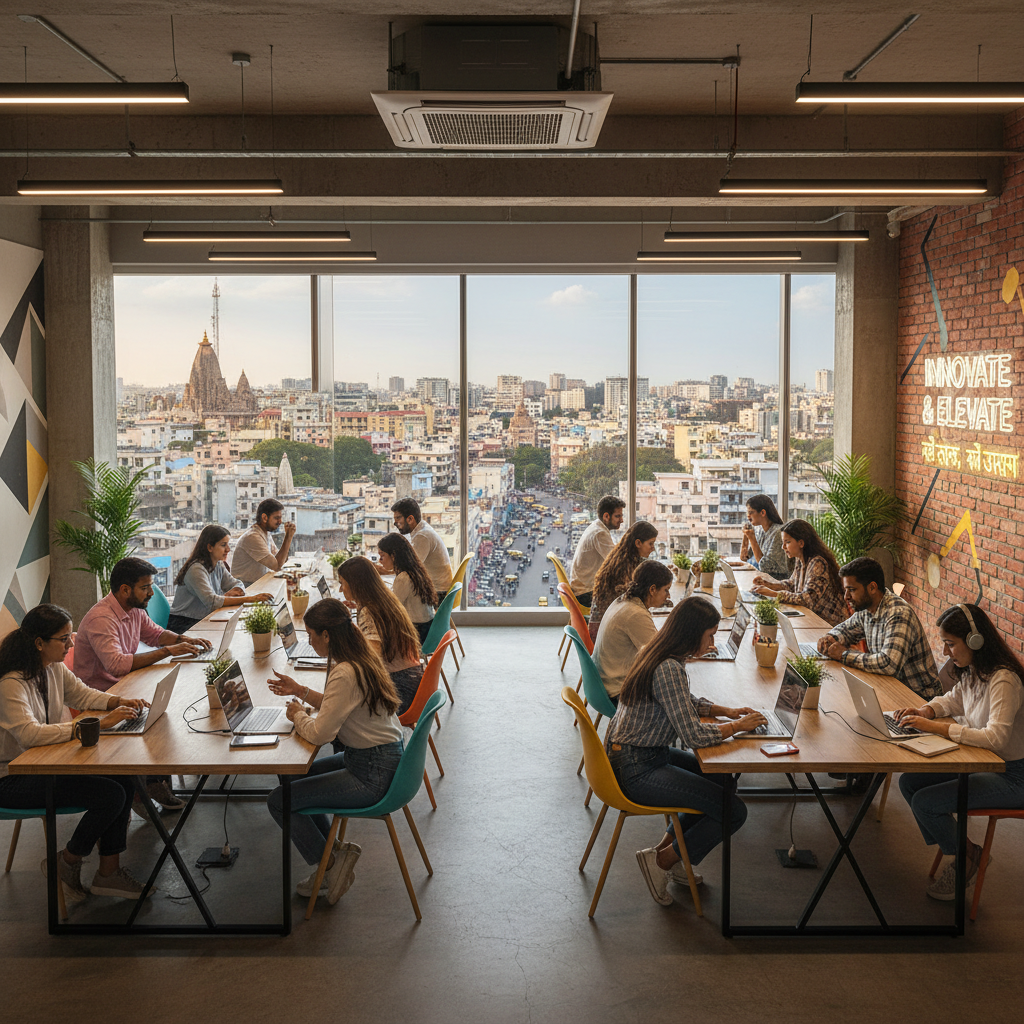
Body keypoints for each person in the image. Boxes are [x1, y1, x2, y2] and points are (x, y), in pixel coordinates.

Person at [605, 596, 766, 906]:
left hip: (638, 755)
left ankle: (666, 851)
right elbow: (693, 734)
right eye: (710, 634)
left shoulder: (661, 653)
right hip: (637, 768)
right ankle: (665, 862)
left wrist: (727, 711)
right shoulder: (668, 668)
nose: (713, 641)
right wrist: (738, 727)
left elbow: (684, 702)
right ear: (692, 633)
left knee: (723, 781)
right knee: (733, 811)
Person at [0, 604, 154, 903]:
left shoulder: (52, 667)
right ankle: (67, 861)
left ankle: (108, 874)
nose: (71, 644)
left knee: (123, 780)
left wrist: (119, 700)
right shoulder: (10, 683)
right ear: (39, 643)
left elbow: (82, 694)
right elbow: (30, 734)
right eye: (64, 639)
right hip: (12, 778)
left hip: (50, 764)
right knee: (109, 795)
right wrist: (92, 724)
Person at [265, 599, 404, 904]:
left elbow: (321, 733)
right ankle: (333, 852)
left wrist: (296, 715)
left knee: (279, 801)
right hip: (380, 757)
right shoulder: (358, 656)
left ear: (327, 635)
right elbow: (338, 705)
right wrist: (300, 691)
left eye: (311, 635)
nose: (308, 641)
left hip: (372, 772)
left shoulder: (344, 671)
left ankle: (328, 863)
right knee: (291, 778)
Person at [896, 604, 1024, 900]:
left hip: (1012, 776)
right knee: (909, 782)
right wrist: (925, 709)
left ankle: (966, 858)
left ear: (975, 640)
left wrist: (937, 728)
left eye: (950, 644)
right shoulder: (974, 671)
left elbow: (996, 738)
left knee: (926, 802)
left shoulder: (1004, 680)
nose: (945, 652)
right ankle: (966, 852)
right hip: (984, 764)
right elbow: (951, 701)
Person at [74, 556, 213, 813]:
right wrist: (169, 651)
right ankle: (141, 788)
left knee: (170, 708)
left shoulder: (135, 609)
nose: (151, 592)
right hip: (101, 699)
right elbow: (116, 665)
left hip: (126, 687)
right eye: (146, 587)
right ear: (125, 589)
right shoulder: (101, 619)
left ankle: (152, 781)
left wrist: (185, 639)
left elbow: (156, 634)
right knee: (160, 717)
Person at [817, 556, 940, 699]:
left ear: (872, 587)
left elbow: (888, 664)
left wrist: (843, 654)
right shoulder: (866, 609)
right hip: (890, 689)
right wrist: (830, 638)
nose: (846, 597)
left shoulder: (898, 614)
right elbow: (845, 629)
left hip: (919, 700)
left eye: (851, 590)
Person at [337, 556, 423, 715]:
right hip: (413, 678)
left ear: (355, 584)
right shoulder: (383, 598)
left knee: (342, 710)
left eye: (342, 583)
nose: (340, 590)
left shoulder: (369, 612)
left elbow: (373, 661)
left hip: (400, 689)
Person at [166, 525, 273, 634]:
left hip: (204, 617)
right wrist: (250, 599)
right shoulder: (196, 569)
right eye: (223, 545)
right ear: (210, 547)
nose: (228, 549)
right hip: (184, 623)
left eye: (228, 544)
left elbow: (237, 583)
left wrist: (227, 595)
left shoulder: (218, 564)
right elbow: (212, 602)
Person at [592, 560, 673, 702]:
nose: (669, 595)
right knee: (673, 689)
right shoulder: (636, 614)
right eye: (666, 589)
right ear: (652, 589)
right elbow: (660, 655)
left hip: (601, 682)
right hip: (616, 691)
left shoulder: (623, 600)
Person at [749, 518, 848, 626]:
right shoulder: (801, 559)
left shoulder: (818, 564)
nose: (783, 547)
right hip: (812, 620)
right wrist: (769, 585)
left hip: (828, 625)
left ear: (801, 543)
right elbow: (792, 584)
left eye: (787, 542)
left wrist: (774, 594)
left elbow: (807, 599)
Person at [587, 520, 659, 642]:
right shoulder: (626, 568)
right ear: (638, 543)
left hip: (602, 625)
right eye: (651, 544)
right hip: (605, 634)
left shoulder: (621, 558)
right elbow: (633, 603)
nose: (653, 549)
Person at [378, 497, 453, 597]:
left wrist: (378, 571)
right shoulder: (422, 530)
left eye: (398, 518)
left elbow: (409, 569)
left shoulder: (422, 536)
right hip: (437, 590)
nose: (395, 523)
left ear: (410, 519)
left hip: (437, 593)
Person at [377, 533, 437, 644]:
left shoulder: (403, 578)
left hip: (417, 634)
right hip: (427, 628)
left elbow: (391, 608)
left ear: (393, 555)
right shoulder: (415, 570)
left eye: (382, 555)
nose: (380, 560)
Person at [570, 495, 625, 607]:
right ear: (606, 516)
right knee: (631, 595)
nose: (622, 520)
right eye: (617, 516)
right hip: (586, 594)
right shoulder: (600, 533)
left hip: (582, 589)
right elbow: (618, 562)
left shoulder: (597, 526)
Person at [230, 498, 297, 586]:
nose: (280, 522)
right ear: (264, 518)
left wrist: (288, 536)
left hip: (258, 584)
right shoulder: (253, 537)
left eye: (280, 518)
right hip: (244, 588)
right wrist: (288, 536)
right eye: (276, 518)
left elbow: (282, 560)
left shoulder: (265, 533)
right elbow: (276, 566)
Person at [740, 494, 792, 580]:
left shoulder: (778, 533)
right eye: (747, 513)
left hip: (776, 583)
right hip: (762, 580)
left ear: (763, 513)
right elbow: (744, 557)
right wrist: (746, 537)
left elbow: (765, 567)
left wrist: (752, 538)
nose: (748, 516)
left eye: (751, 512)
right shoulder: (760, 531)